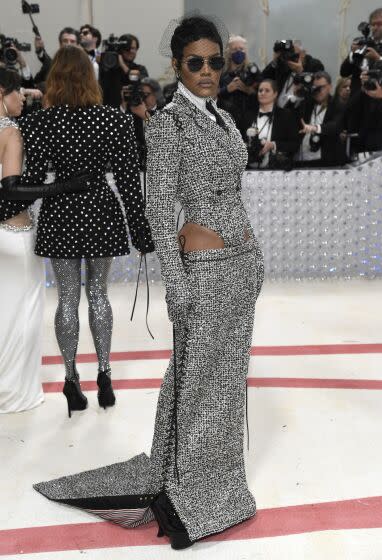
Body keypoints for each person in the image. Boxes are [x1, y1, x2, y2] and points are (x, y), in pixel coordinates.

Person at [33, 15, 264, 551]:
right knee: (200, 385)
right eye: (195, 63)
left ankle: (214, 483)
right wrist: (176, 286)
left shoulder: (223, 118)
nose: (207, 72)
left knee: (225, 384)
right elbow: (160, 210)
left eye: (216, 61)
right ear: (178, 66)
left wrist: (254, 263)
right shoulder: (169, 124)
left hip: (238, 268)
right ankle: (193, 494)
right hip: (202, 272)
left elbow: (234, 195)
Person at [17, 45, 154, 417]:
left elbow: (29, 180)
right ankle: (105, 374)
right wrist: (141, 231)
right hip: (100, 208)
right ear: (90, 79)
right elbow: (128, 182)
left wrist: (9, 208)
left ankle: (70, 379)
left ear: (54, 80)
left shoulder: (39, 122)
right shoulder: (114, 120)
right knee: (98, 293)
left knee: (65, 299)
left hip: (60, 210)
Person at [0, 67, 88, 413]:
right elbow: (10, 191)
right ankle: (13, 393)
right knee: (22, 314)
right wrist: (61, 187)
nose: (23, 97)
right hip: (14, 234)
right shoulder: (10, 131)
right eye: (16, 92)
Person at [243, 79, 299, 169]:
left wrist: (273, 145)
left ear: (275, 94)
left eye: (267, 90)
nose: (262, 93)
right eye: (260, 90)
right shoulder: (248, 115)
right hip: (249, 170)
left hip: (277, 170)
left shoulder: (286, 115)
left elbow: (295, 144)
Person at [294, 71, 346, 167]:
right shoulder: (306, 104)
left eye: (321, 87)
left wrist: (316, 128)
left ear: (330, 87)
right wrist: (297, 95)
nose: (317, 90)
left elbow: (336, 126)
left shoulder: (337, 105)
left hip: (326, 159)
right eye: (315, 87)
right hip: (302, 158)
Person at [218, 35, 260, 138]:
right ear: (228, 52)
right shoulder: (221, 72)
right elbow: (211, 95)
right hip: (226, 121)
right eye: (235, 49)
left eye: (241, 49)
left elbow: (263, 95)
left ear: (246, 51)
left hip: (248, 121)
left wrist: (248, 90)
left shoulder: (252, 70)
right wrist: (227, 89)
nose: (238, 51)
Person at [262, 40, 324, 108]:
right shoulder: (284, 65)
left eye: (294, 55)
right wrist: (275, 61)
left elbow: (315, 92)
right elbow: (263, 79)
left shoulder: (314, 66)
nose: (291, 57)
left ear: (303, 53)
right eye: (289, 54)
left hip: (297, 111)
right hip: (278, 110)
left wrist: (301, 72)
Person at [340, 8, 382, 97]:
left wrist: (378, 58)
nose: (375, 27)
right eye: (372, 24)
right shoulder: (363, 43)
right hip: (357, 99)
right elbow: (344, 72)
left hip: (377, 100)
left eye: (379, 24)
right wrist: (352, 54)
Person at [100, 33, 148, 108]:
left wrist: (123, 65)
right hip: (110, 113)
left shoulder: (140, 69)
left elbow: (141, 84)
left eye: (134, 48)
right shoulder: (109, 70)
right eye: (128, 48)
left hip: (134, 114)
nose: (131, 51)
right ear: (120, 49)